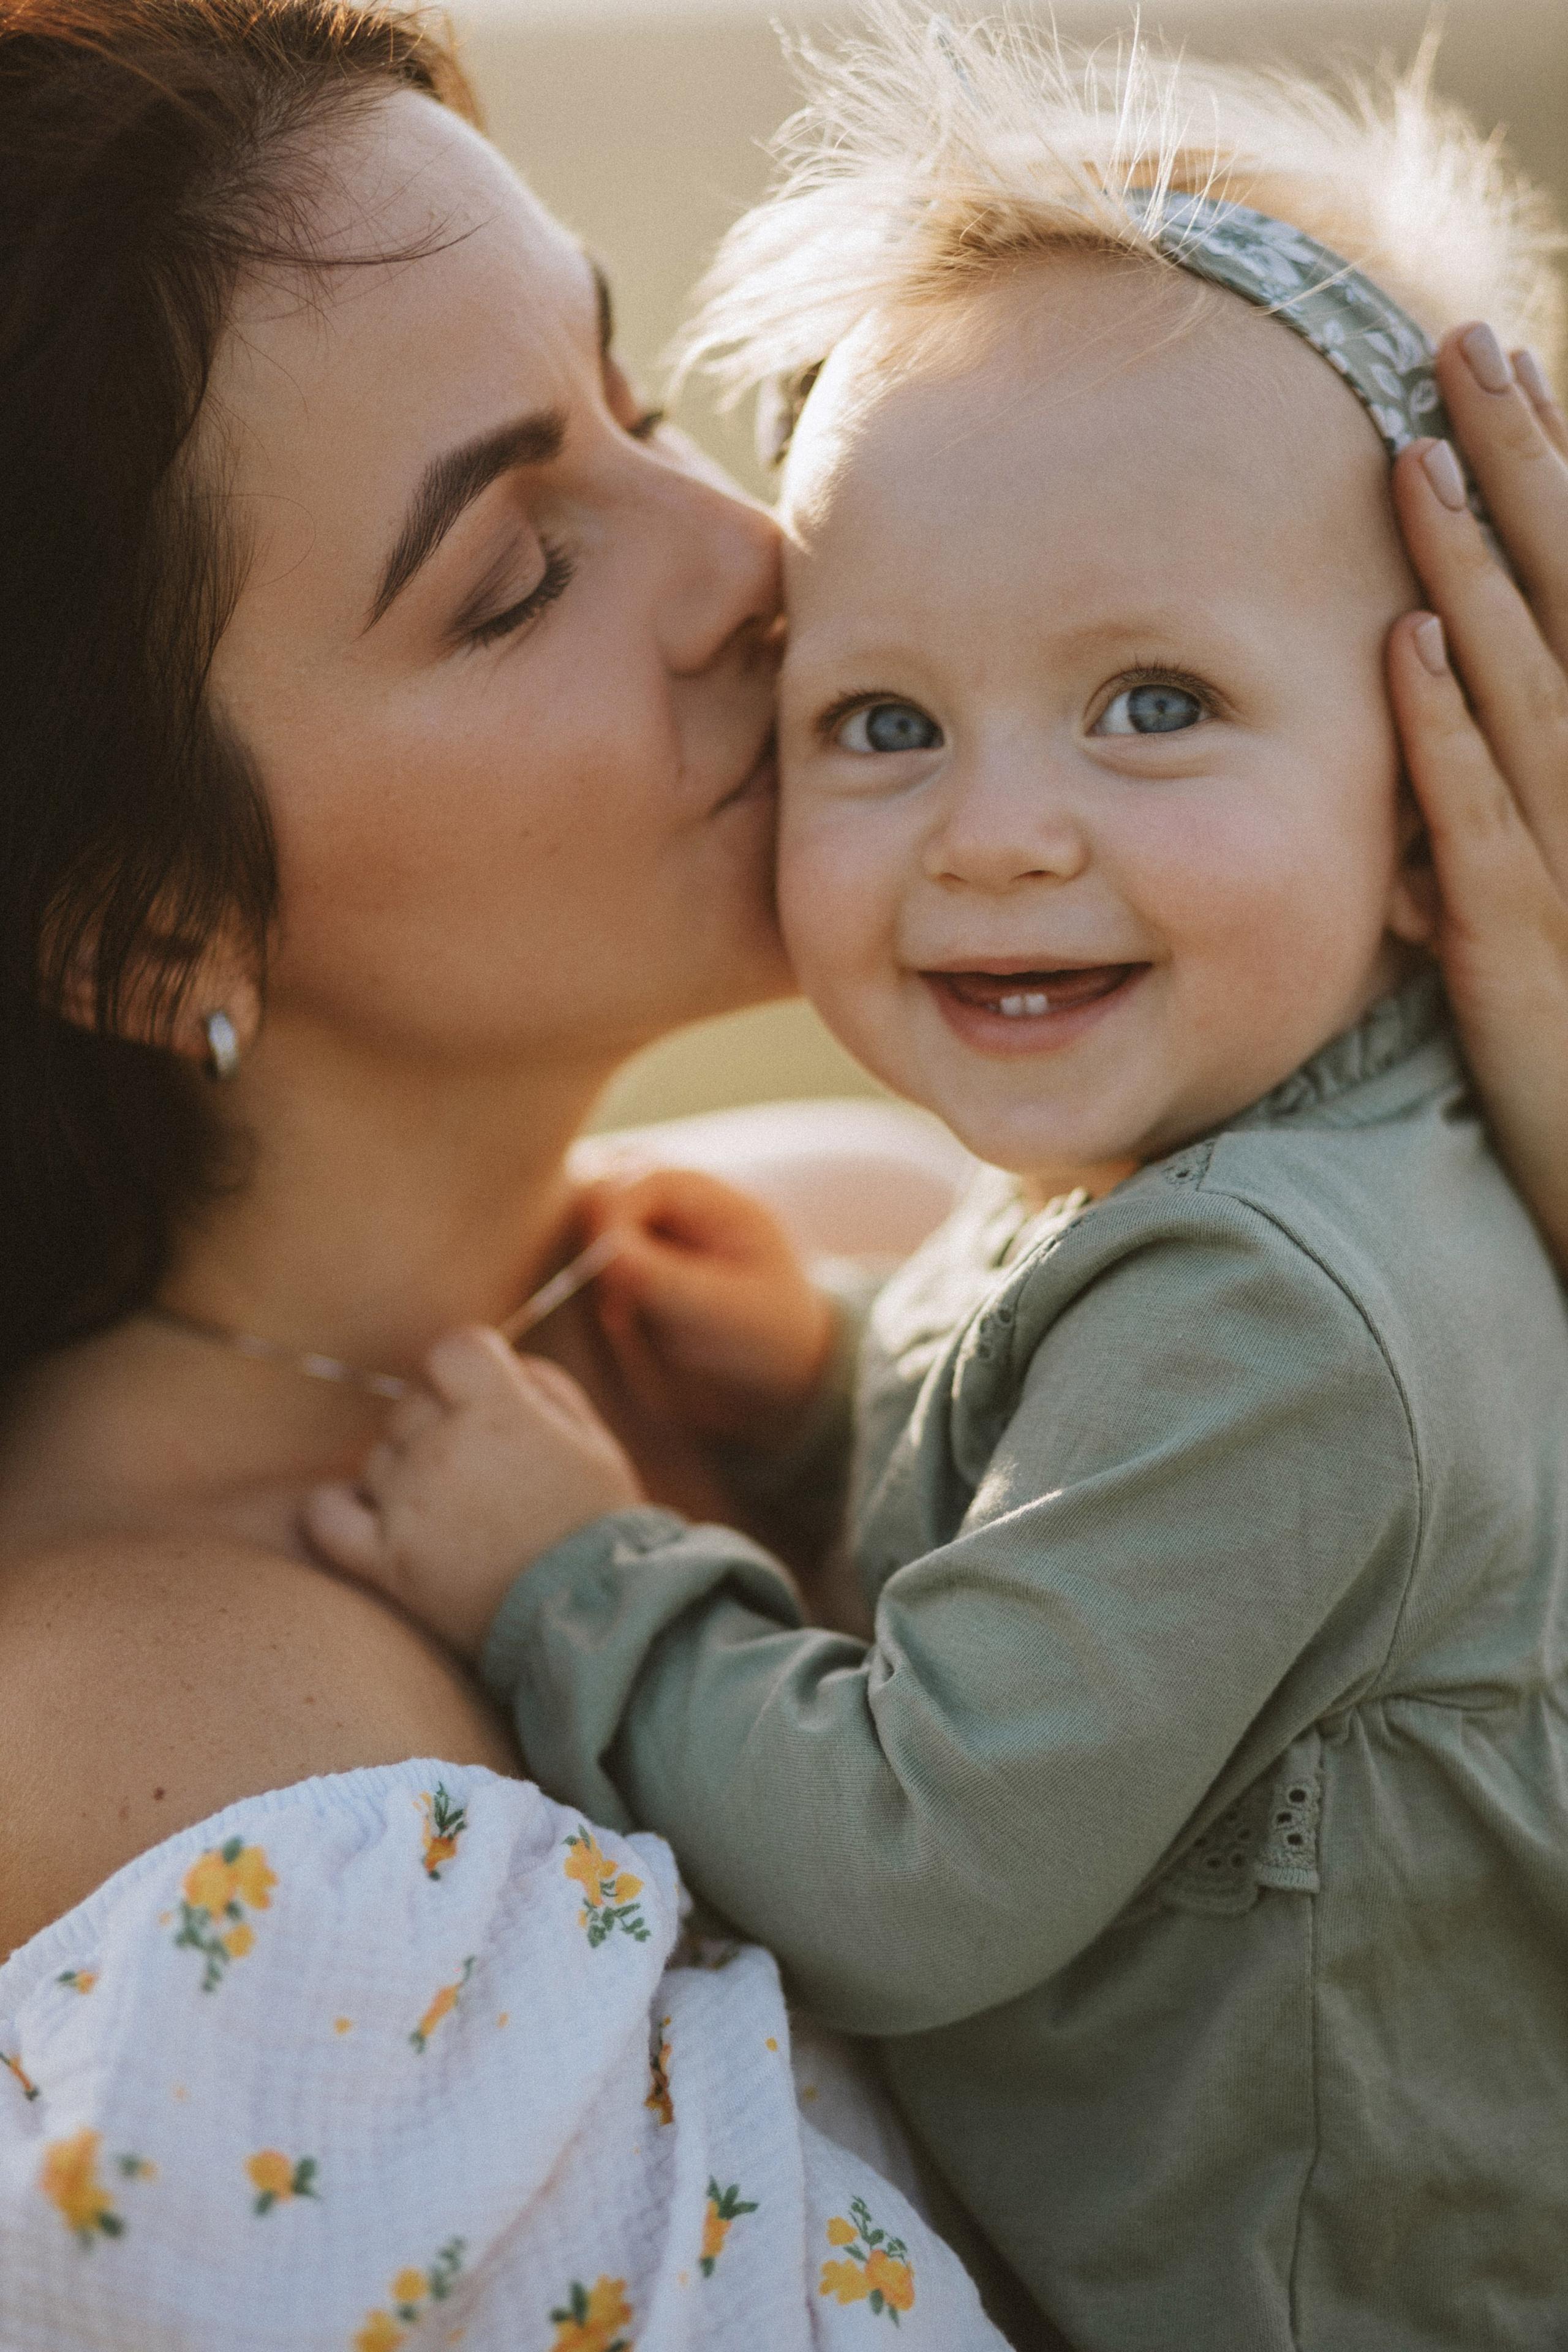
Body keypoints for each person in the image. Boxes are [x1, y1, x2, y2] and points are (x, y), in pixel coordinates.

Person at [0, 0, 1566, 2340]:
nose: (755, 556)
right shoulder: (187, 1766)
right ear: (150, 928)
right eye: (516, 570)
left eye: (636, 402)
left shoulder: (871, 1242)